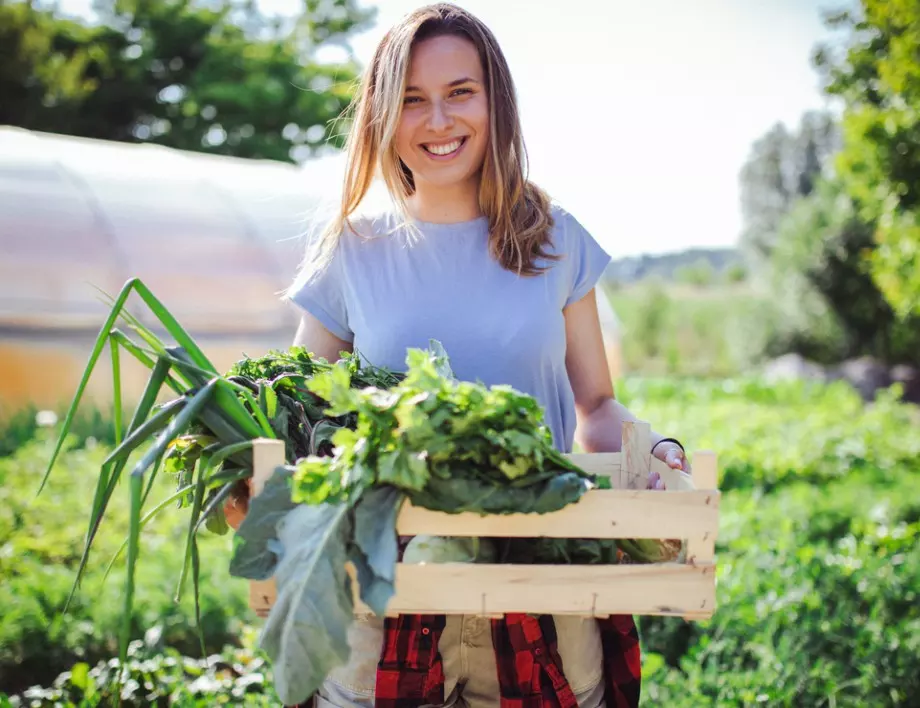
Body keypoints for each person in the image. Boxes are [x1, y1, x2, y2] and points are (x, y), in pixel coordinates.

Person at [227, 3, 692, 706]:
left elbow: (595, 405)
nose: (438, 122)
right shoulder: (353, 249)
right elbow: (297, 414)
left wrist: (652, 449)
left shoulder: (554, 238)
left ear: (494, 101)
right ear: (383, 114)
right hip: (385, 586)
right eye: (412, 99)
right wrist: (247, 473)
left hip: (541, 574)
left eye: (459, 93)